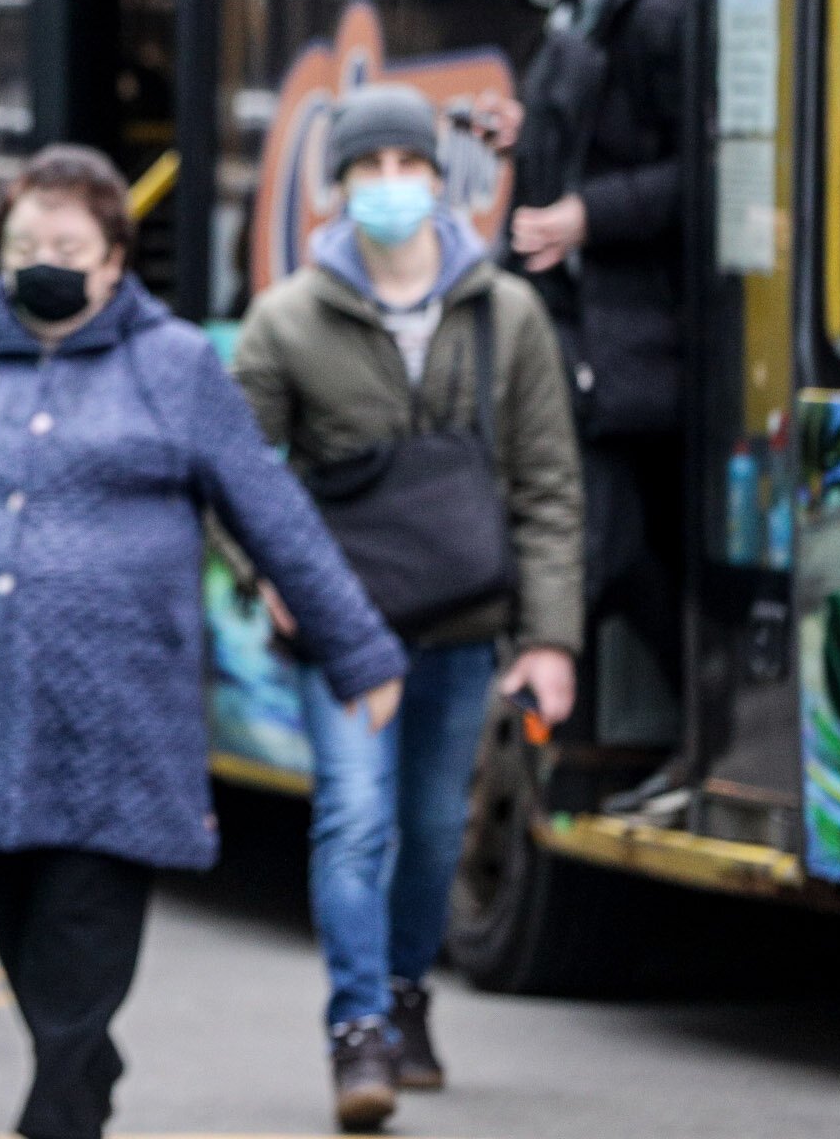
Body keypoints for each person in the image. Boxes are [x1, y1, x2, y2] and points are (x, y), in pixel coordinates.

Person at [0, 143, 405, 1139]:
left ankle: (59, 1112)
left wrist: (358, 649)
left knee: (82, 922)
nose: (42, 257)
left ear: (115, 257)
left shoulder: (173, 362)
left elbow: (269, 510)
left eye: (66, 242)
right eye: (25, 240)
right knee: (22, 926)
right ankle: (82, 1061)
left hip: (118, 709)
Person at [232, 86, 582, 1131]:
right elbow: (241, 475)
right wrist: (274, 581)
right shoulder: (288, 318)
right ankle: (358, 1029)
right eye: (368, 170)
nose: (390, 188)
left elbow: (549, 482)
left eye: (408, 168)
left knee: (433, 830)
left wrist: (552, 638)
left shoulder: (505, 310)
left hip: (465, 621)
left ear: (440, 178)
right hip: (345, 626)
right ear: (339, 185)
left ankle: (407, 991)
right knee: (355, 820)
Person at [442, 0, 689, 812]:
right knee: (601, 540)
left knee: (606, 545)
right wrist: (524, 134)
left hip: (625, 341)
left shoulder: (654, 16)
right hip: (591, 338)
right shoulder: (589, 15)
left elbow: (700, 171)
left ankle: (563, 747)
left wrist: (589, 216)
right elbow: (603, 143)